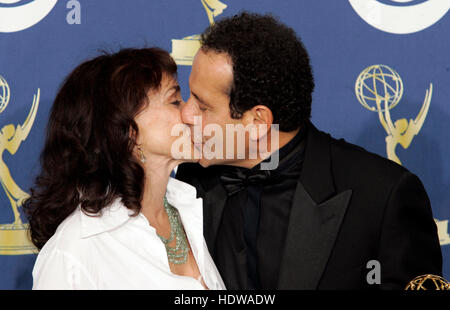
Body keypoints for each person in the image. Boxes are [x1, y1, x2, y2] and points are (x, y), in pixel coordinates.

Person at [176, 12, 443, 289]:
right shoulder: (188, 184)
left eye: (202, 106)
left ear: (258, 122)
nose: (184, 113)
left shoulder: (381, 197)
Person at [24, 48, 225, 290]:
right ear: (129, 133)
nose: (191, 113)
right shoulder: (75, 252)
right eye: (175, 101)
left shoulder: (189, 209)